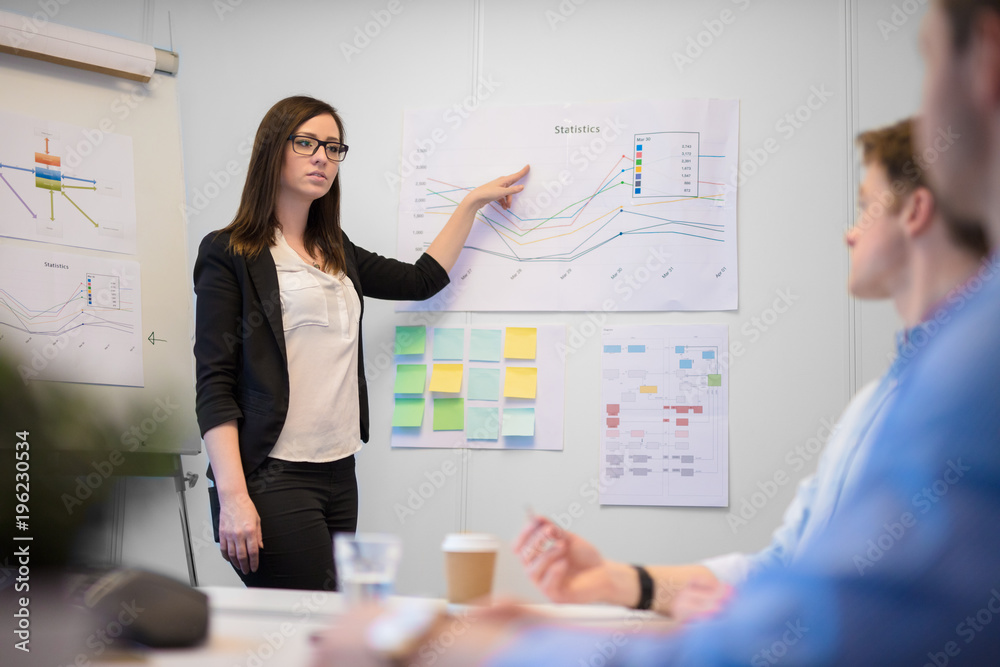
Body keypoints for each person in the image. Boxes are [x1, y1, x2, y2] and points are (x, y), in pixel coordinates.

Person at [310, 1, 1000, 661]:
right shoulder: (890, 396)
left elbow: (828, 634)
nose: (848, 230)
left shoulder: (968, 375)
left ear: (986, 62)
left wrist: (497, 650)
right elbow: (789, 570)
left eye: (929, 56)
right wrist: (625, 582)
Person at [511, 118, 989, 622]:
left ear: (915, 211)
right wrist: (613, 580)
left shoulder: (964, 405)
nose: (850, 234)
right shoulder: (872, 406)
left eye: (866, 206)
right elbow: (785, 565)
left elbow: (873, 617)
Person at [193, 95, 528, 590]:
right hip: (270, 475)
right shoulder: (230, 252)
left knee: (332, 620)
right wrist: (235, 496)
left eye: (332, 147)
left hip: (339, 472)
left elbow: (420, 280)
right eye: (305, 143)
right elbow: (214, 383)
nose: (321, 157)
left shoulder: (337, 250)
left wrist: (471, 204)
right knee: (309, 621)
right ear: (272, 151)